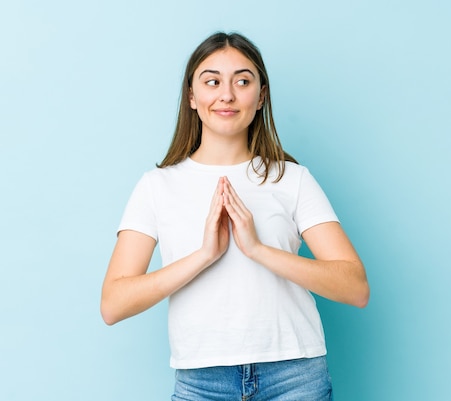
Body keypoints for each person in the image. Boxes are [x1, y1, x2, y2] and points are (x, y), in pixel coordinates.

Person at [100, 31, 369, 400]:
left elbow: (355, 287)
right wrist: (204, 256)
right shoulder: (156, 186)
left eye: (242, 81)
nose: (226, 94)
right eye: (212, 81)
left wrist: (258, 249)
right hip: (201, 382)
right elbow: (113, 304)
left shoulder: (292, 179)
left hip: (294, 378)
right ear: (192, 97)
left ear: (260, 97)